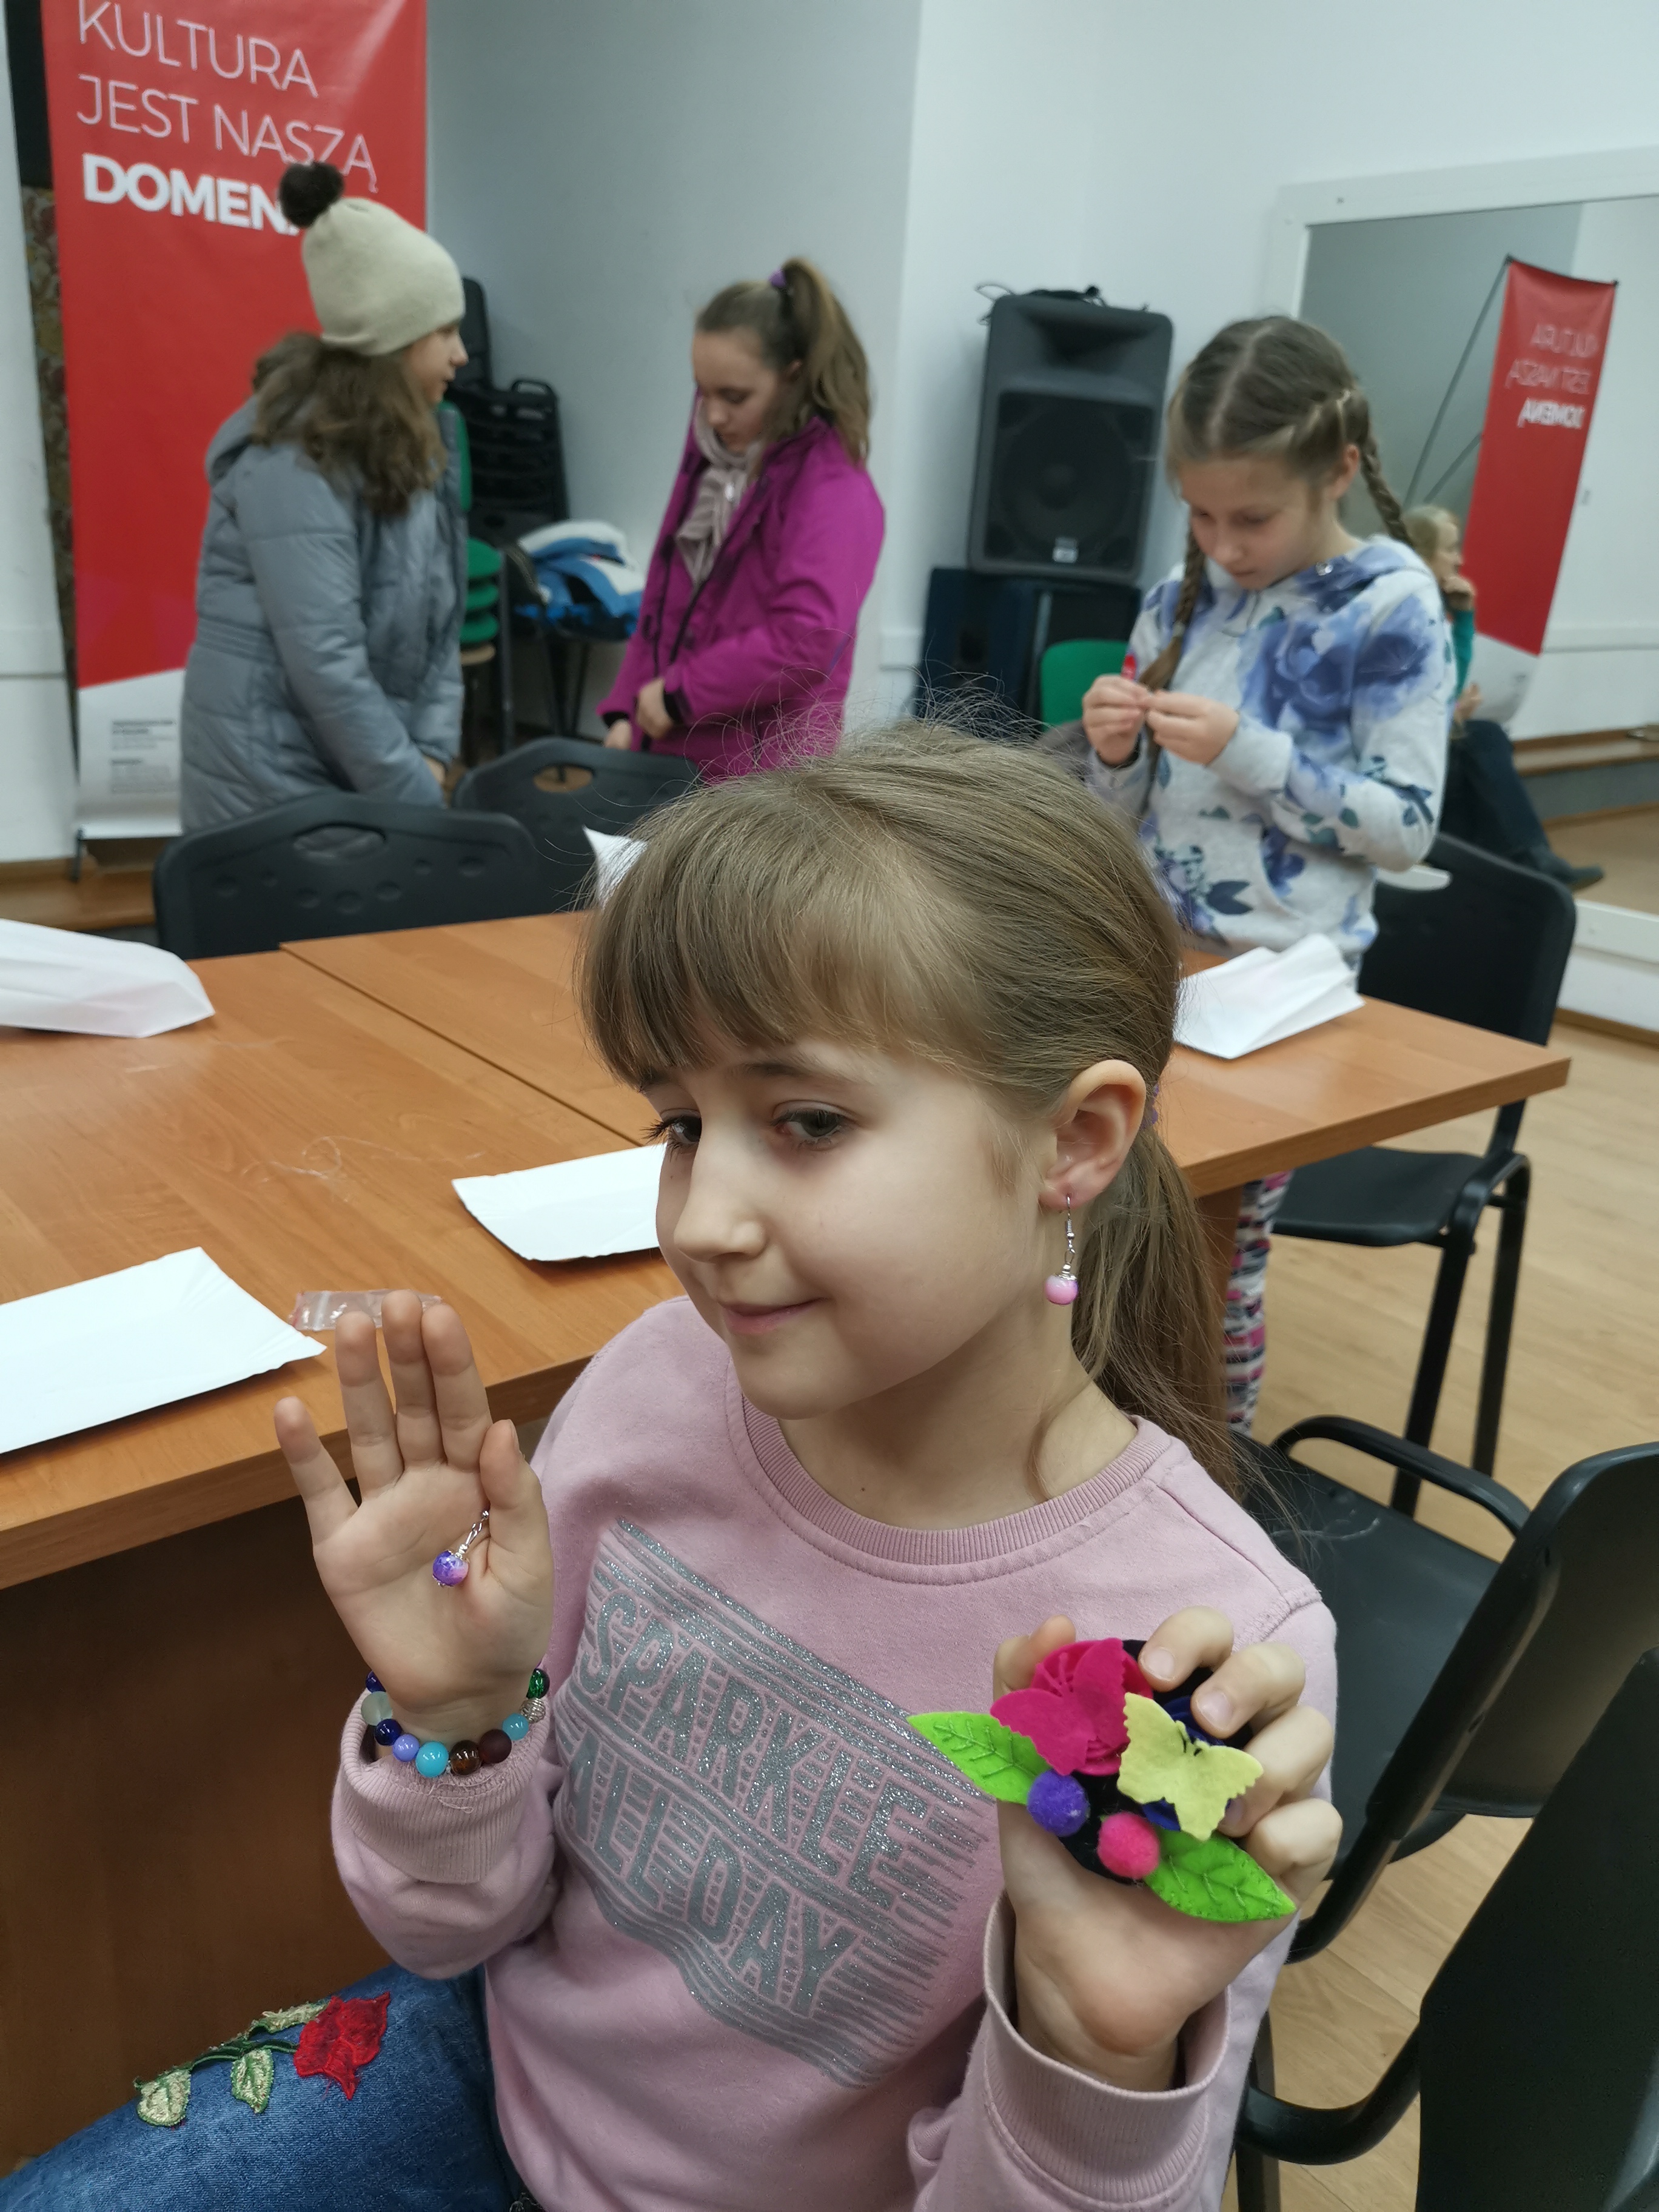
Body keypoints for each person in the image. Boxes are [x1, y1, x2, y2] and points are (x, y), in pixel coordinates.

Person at [8, 731, 1338, 2212]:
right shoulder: (655, 1384)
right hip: (492, 2073)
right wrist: (455, 1725)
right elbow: (452, 1935)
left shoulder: (1204, 1654)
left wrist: (1088, 2051)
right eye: (683, 1126)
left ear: (1073, 1142)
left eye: (807, 1122)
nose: (701, 1220)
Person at [1042, 317, 1450, 1430]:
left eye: (1253, 518)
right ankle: (1094, 1451)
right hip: (1150, 968)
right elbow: (1116, 822)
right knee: (1097, 1223)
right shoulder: (1179, 598)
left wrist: (1248, 751)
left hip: (1282, 992)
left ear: (1339, 471)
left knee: (1218, 1253)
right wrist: (1114, 755)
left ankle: (1211, 1474)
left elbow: (1407, 828)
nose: (1224, 544)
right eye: (1201, 515)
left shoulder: (1390, 603)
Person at [178, 162, 469, 830]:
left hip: (362, 770)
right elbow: (324, 662)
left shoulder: (416, 444)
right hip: (272, 783)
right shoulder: (293, 459)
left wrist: (431, 752)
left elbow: (440, 625)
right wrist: (415, 794)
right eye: (445, 332)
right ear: (394, 341)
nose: (461, 355)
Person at [598, 258, 884, 779]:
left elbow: (806, 638)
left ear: (792, 376)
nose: (713, 416)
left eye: (734, 397)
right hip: (673, 753)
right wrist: (626, 710)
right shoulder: (715, 459)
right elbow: (665, 598)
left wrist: (680, 694)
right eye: (702, 390)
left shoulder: (834, 489)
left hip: (758, 780)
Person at [1403, 504, 1603, 890]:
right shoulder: (1404, 619)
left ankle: (1511, 871)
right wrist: (1450, 713)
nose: (1459, 560)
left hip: (1424, 751)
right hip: (1399, 761)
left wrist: (1463, 619)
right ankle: (1528, 865)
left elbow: (1448, 684)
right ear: (1422, 555)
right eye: (1450, 549)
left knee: (1478, 745)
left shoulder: (1426, 612)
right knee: (1482, 741)